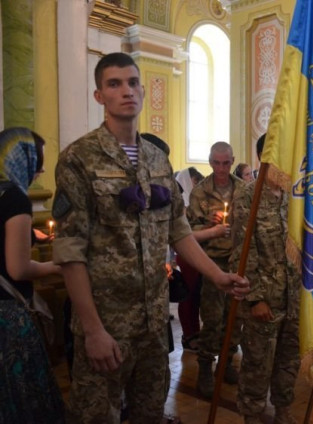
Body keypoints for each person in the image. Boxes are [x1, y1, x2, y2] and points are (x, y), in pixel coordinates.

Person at [52, 52, 248, 423]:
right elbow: (70, 252)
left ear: (143, 90)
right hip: (107, 323)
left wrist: (217, 275)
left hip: (153, 326)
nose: (126, 91)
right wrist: (92, 330)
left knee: (150, 413)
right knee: (96, 416)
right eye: (114, 84)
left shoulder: (157, 160)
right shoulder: (79, 159)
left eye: (132, 82)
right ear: (99, 96)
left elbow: (179, 230)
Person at [230, 133, 299, 424]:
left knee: (288, 361)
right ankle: (252, 415)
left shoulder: (294, 196)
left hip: (293, 299)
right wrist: (255, 299)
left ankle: (283, 410)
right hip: (264, 300)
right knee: (257, 364)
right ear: (264, 157)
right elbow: (242, 252)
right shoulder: (249, 195)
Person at [0, 128, 65, 424]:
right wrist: (57, 266)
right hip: (7, 317)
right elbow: (18, 269)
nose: (40, 170)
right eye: (37, 160)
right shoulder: (14, 197)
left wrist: (30, 234)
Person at [187, 141, 246, 396]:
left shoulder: (243, 189)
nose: (221, 169)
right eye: (216, 163)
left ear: (232, 161)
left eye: (226, 163)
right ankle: (205, 368)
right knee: (212, 318)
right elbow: (188, 233)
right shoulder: (200, 192)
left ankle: (226, 362)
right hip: (212, 262)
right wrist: (209, 227)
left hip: (238, 261)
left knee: (234, 318)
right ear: (210, 162)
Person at [174, 167, 205, 351]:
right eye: (195, 181)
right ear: (187, 181)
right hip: (186, 255)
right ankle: (188, 334)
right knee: (188, 296)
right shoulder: (181, 204)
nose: (197, 185)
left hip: (198, 252)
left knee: (196, 296)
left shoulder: (195, 201)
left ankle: (196, 332)